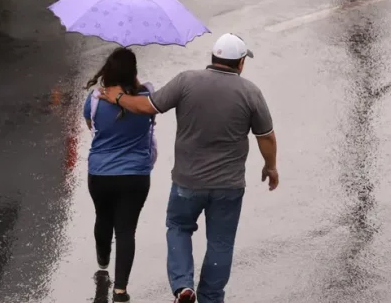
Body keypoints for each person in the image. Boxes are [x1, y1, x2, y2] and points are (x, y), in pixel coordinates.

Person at [99, 33, 278, 303]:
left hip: (187, 182)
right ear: (240, 63)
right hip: (228, 186)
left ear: (214, 58)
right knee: (221, 242)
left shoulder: (187, 81)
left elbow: (148, 106)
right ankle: (211, 297)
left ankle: (184, 286)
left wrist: (119, 98)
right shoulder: (250, 92)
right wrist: (271, 167)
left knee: (179, 227)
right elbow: (266, 137)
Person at [83, 48, 157, 303]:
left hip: (100, 174)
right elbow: (152, 111)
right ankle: (120, 291)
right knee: (126, 230)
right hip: (135, 175)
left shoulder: (94, 99)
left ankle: (103, 256)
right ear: (133, 72)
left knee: (103, 217)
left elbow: (91, 125)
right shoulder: (145, 98)